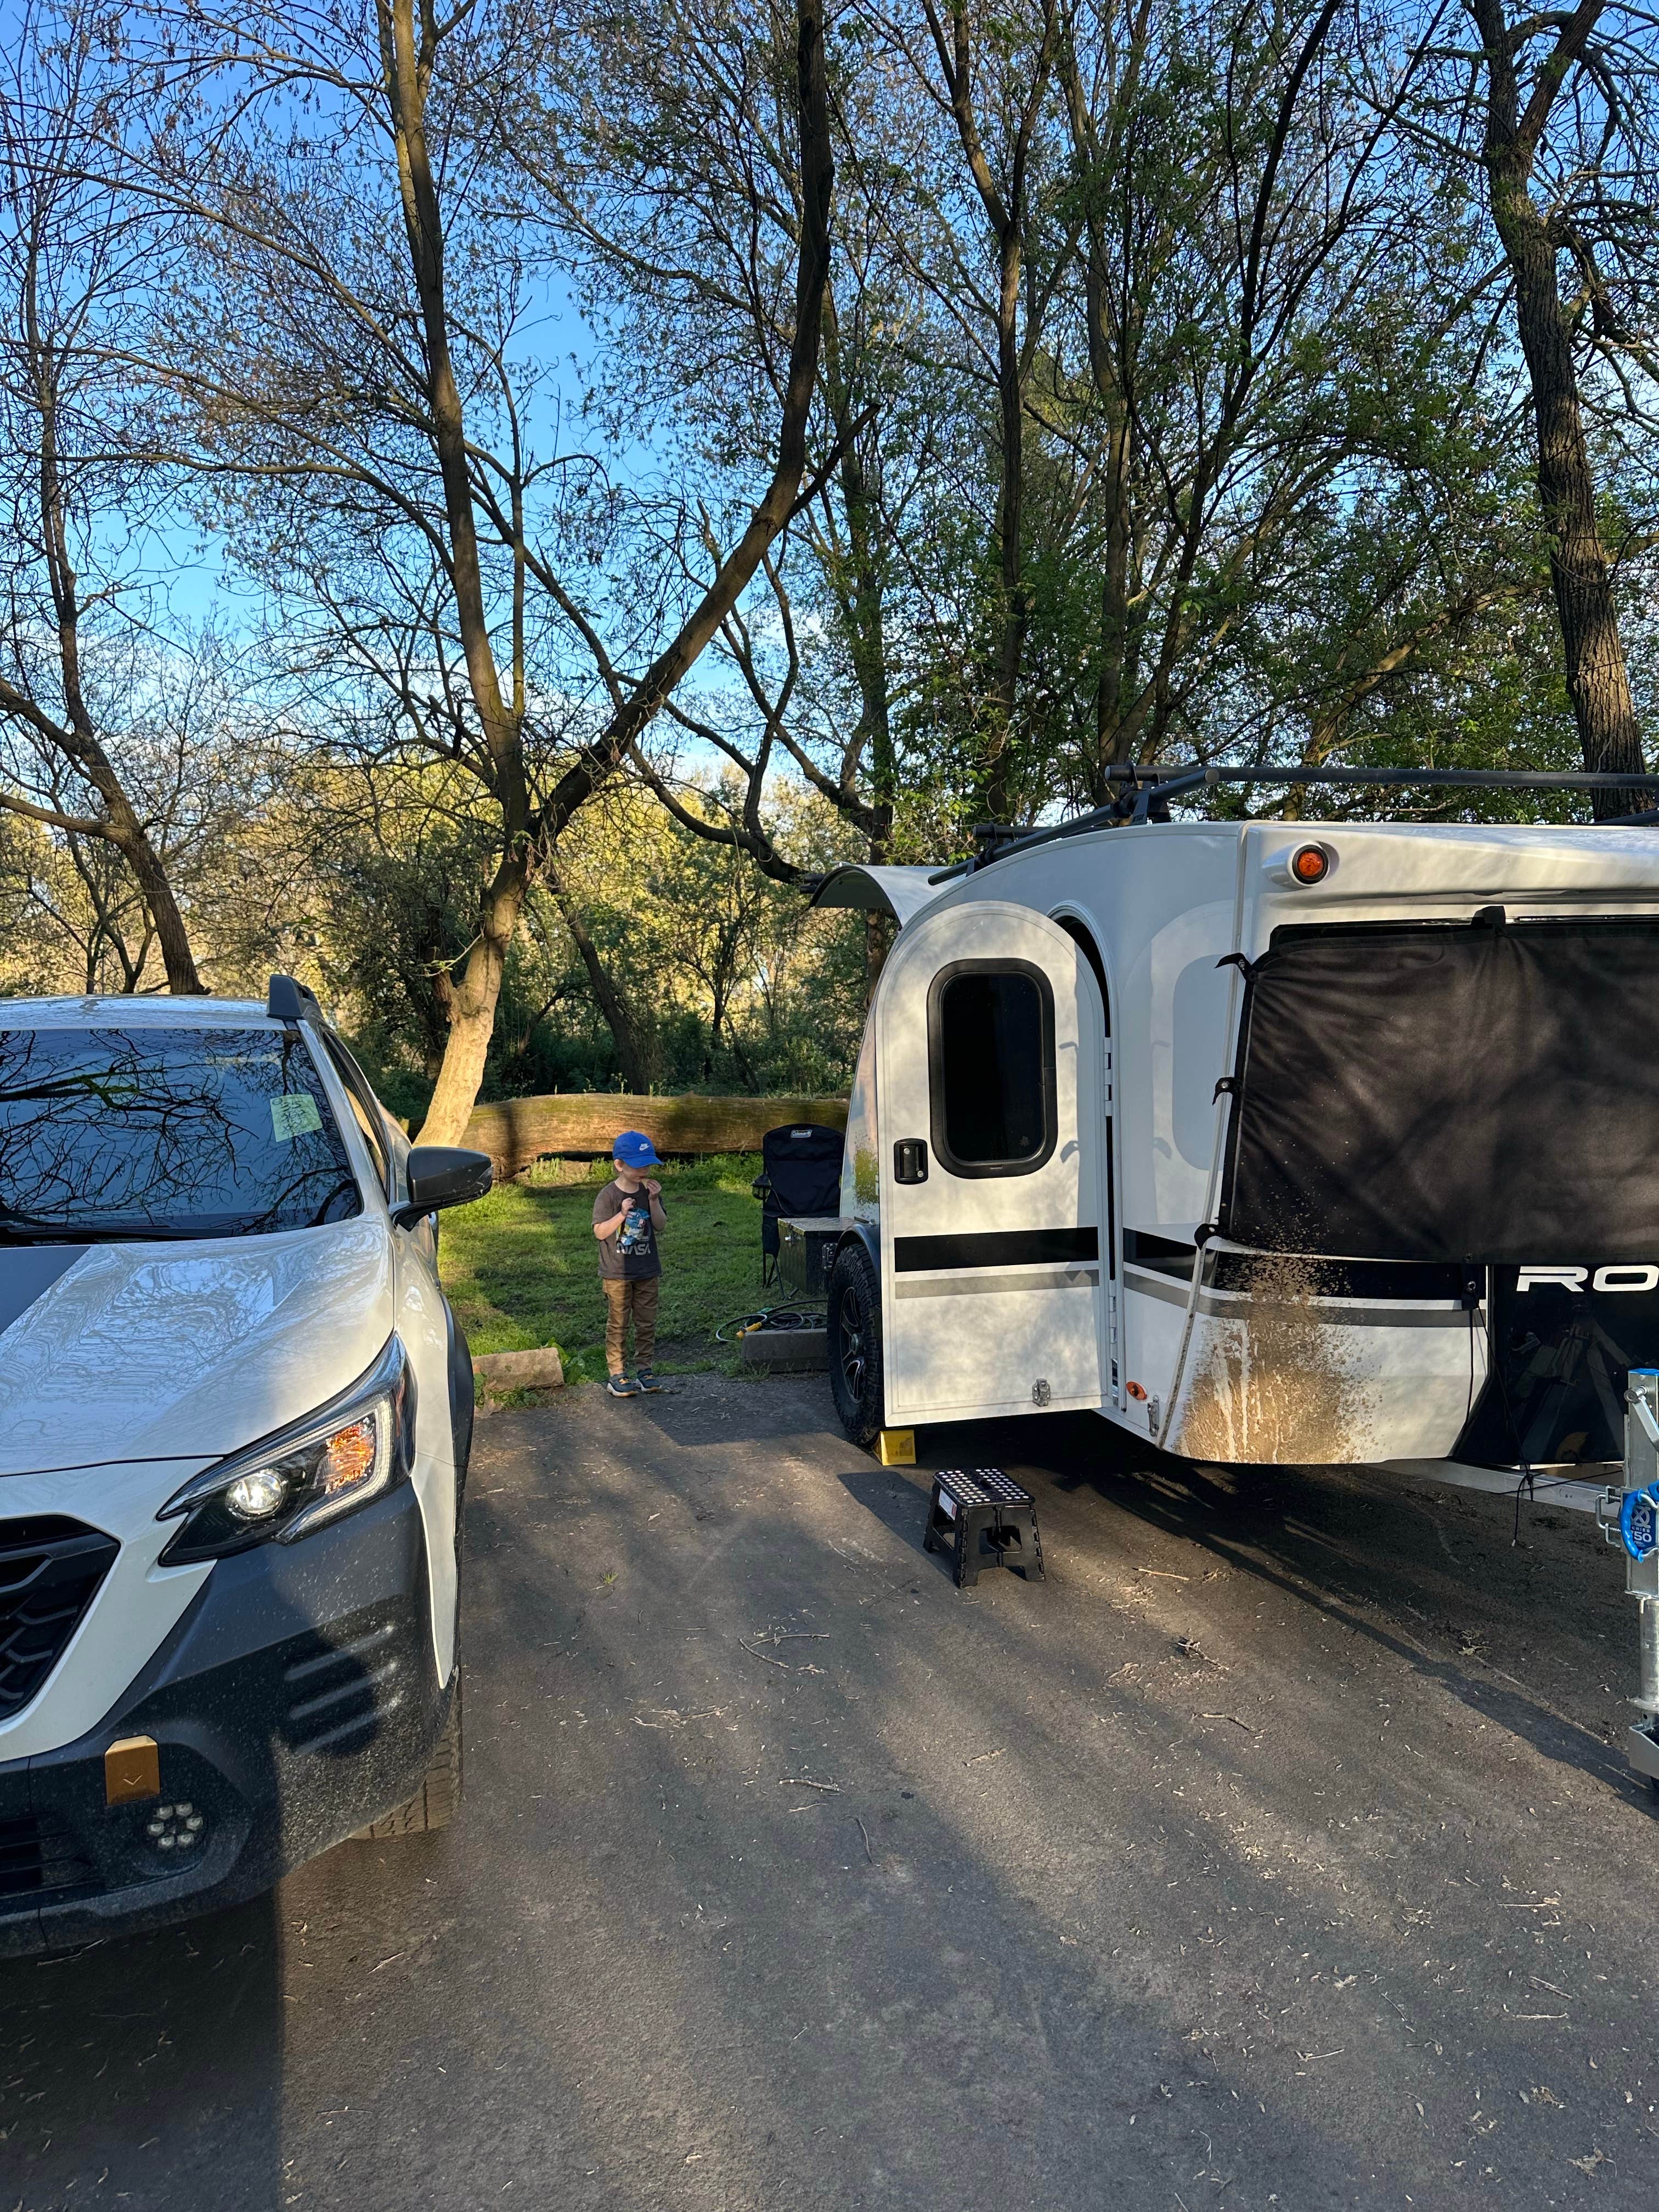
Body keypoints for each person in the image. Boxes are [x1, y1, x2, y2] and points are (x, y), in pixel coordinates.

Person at [592, 1130, 667, 1396]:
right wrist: (621, 1215)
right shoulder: (608, 1196)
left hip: (647, 1270)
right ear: (619, 1165)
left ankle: (645, 1369)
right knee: (618, 1323)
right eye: (638, 1165)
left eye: (648, 1164)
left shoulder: (649, 1191)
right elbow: (600, 1232)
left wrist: (655, 1201)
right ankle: (617, 1374)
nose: (644, 1170)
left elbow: (659, 1225)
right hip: (617, 1273)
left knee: (646, 1323)